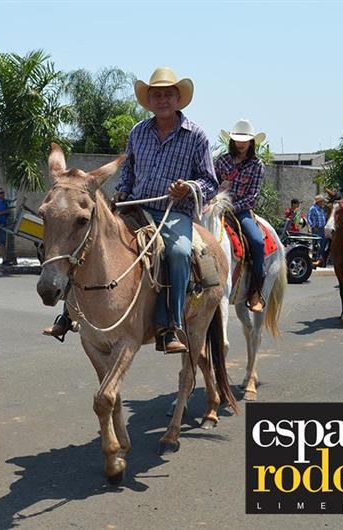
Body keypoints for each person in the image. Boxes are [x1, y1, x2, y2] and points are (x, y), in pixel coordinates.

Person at [44, 67, 218, 354]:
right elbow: (128, 171)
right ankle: (69, 313)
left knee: (178, 253)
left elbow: (209, 182)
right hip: (135, 207)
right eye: (156, 95)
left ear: (178, 99)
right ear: (149, 101)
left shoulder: (196, 136)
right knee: (90, 240)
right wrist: (123, 190)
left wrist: (187, 188)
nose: (162, 100)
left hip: (172, 212)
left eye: (168, 95)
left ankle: (170, 326)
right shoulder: (138, 131)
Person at [214, 119, 267, 312]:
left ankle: (255, 292)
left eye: (244, 140)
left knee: (257, 242)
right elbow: (211, 182)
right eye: (237, 139)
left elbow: (252, 197)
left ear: (252, 142)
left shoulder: (257, 165)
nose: (240, 143)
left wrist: (231, 208)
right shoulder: (222, 161)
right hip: (215, 207)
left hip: (241, 210)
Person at [307, 194, 329, 267]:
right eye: (322, 201)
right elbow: (308, 218)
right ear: (318, 202)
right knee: (316, 245)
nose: (323, 203)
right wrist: (313, 226)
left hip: (322, 229)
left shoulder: (321, 209)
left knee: (322, 245)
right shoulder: (312, 208)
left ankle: (320, 260)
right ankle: (315, 260)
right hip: (316, 229)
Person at [0, 187, 12, 265]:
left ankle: (4, 259)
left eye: (3, 193)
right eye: (1, 193)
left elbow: (9, 211)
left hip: (3, 225)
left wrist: (0, 213)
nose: (3, 194)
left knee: (2, 243)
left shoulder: (5, 202)